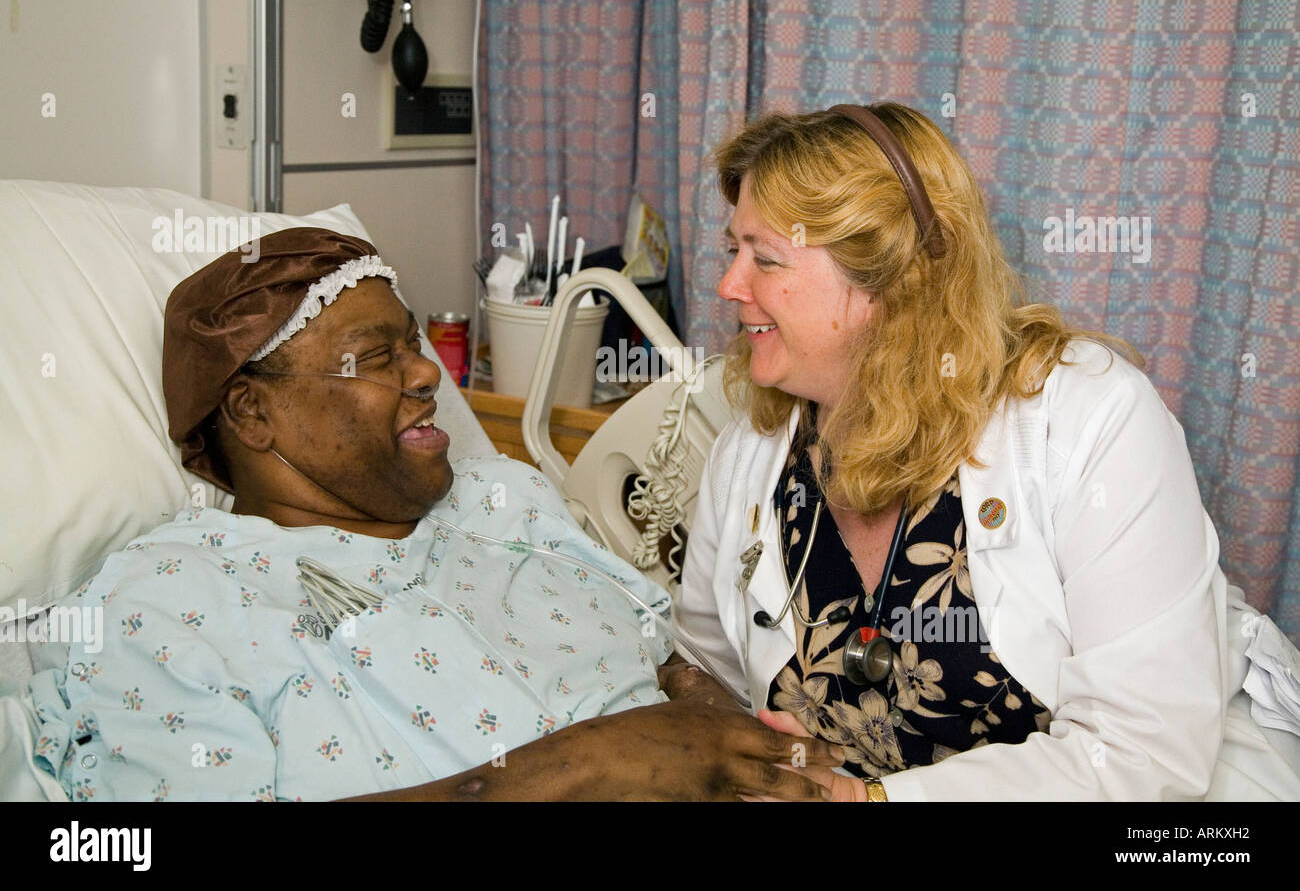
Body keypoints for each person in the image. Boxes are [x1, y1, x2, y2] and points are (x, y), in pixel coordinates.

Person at [28, 227, 841, 801]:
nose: (424, 373)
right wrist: (580, 769)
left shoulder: (503, 500)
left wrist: (710, 713)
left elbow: (653, 651)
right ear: (251, 413)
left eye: (412, 342)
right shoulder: (171, 602)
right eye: (377, 357)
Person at [674, 102, 1300, 801]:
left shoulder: (1090, 419)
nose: (730, 285)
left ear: (895, 279)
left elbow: (1142, 753)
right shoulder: (751, 457)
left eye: (765, 258)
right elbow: (700, 665)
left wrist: (870, 800)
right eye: (733, 251)